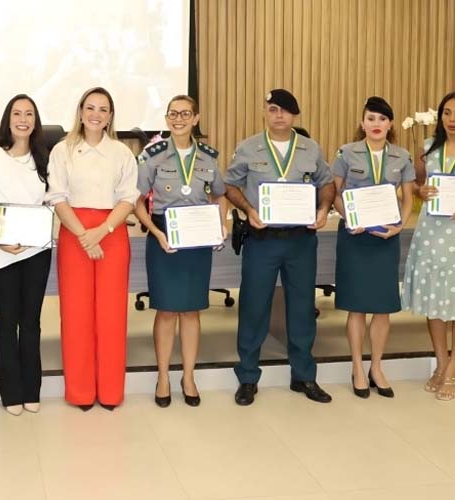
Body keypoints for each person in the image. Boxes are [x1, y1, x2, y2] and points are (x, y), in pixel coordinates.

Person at [224, 89, 336, 406]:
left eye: (285, 111)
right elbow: (229, 185)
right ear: (265, 112)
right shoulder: (248, 147)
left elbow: (326, 183)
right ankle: (247, 377)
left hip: (301, 241)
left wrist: (323, 209)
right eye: (273, 109)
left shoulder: (310, 148)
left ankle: (303, 375)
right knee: (254, 308)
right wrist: (249, 210)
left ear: (294, 116)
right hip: (263, 240)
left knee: (302, 309)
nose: (279, 116)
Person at [45, 87, 139, 411]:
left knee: (112, 317)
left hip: (111, 233)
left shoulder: (122, 153)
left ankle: (111, 392)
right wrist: (85, 235)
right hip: (75, 235)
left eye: (103, 109)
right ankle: (81, 392)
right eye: (90, 108)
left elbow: (129, 198)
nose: (96, 114)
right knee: (76, 316)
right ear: (80, 111)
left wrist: (101, 231)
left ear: (110, 116)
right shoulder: (63, 151)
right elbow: (57, 197)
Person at [133, 95, 227, 408]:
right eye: (173, 114)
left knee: (191, 309)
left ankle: (188, 376)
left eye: (185, 114)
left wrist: (220, 224)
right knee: (166, 309)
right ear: (167, 119)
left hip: (197, 241)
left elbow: (220, 195)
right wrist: (155, 232)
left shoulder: (208, 157)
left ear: (196, 118)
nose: (179, 119)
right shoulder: (153, 155)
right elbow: (134, 200)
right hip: (164, 240)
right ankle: (163, 377)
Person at [0, 95, 51, 416]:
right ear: (8, 120)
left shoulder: (45, 158)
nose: (23, 119)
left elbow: (52, 200)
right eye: (17, 113)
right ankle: (10, 393)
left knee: (31, 321)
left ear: (36, 121)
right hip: (2, 250)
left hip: (36, 250)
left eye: (29, 114)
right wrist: (1, 239)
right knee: (7, 321)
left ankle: (32, 389)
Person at [332, 97, 414, 399]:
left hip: (386, 238)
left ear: (390, 124)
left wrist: (400, 225)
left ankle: (376, 366)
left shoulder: (401, 157)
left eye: (381, 119)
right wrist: (348, 216)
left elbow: (407, 198)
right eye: (370, 118)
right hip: (355, 237)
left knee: (382, 308)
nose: (376, 124)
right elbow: (334, 192)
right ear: (362, 123)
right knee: (356, 307)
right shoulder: (346, 153)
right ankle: (356, 367)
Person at [402, 91, 455, 400]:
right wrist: (422, 191)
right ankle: (441, 363)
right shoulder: (427, 149)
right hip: (432, 234)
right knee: (435, 299)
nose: (452, 119)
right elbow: (417, 187)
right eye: (447, 113)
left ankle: (452, 370)